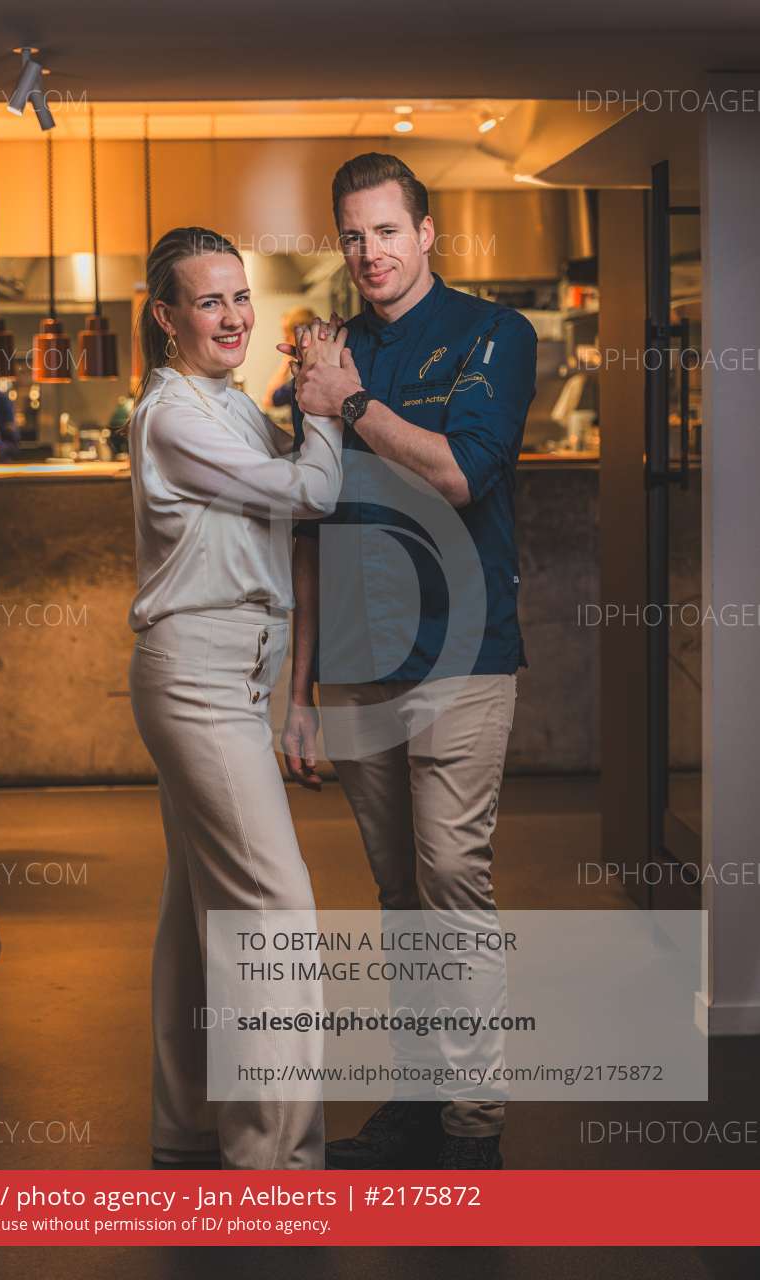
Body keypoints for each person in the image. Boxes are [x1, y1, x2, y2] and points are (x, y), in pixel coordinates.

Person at [281, 153, 538, 1171]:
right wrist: (298, 687)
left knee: (450, 880)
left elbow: (463, 473)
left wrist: (348, 405)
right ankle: (418, 1098)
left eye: (387, 230)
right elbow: (306, 527)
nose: (369, 252)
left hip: (462, 652)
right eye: (352, 235)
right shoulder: (327, 350)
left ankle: (473, 1126)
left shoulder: (492, 334)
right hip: (356, 658)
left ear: (426, 233)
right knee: (396, 894)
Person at [126, 226, 345, 1171]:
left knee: (199, 913)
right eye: (208, 301)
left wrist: (296, 694)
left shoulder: (230, 407)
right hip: (197, 676)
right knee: (274, 914)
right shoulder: (172, 416)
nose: (232, 317)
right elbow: (312, 494)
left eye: (240, 296)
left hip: (239, 670)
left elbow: (288, 527)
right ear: (166, 317)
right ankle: (275, 1165)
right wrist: (325, 403)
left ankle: (185, 1131)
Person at [262, 306, 317, 412]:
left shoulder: (305, 377)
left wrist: (287, 357)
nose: (285, 339)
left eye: (287, 334)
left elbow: (269, 400)